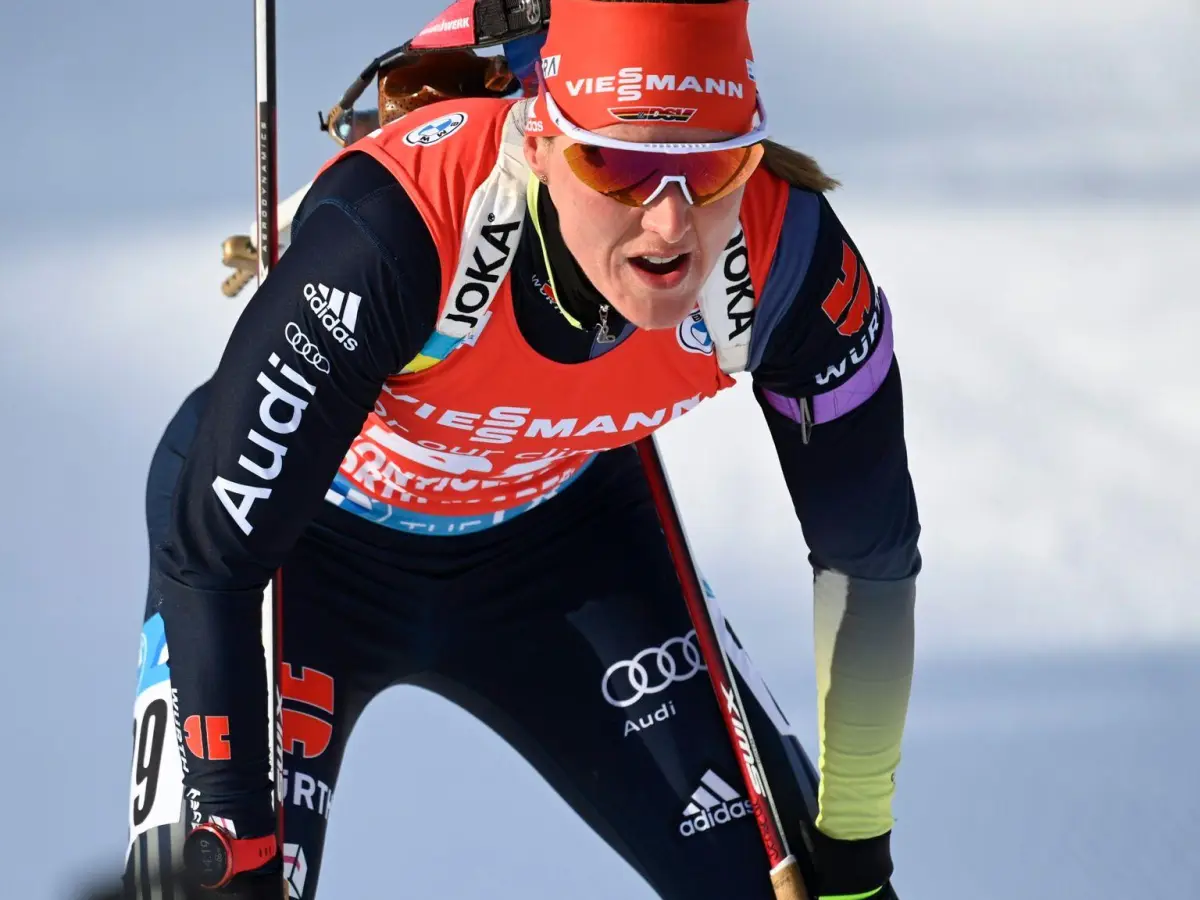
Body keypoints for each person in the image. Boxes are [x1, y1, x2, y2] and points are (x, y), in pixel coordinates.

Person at [122, 1, 919, 897]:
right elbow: (213, 559)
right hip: (307, 553)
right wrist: (235, 831)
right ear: (540, 139)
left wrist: (856, 851)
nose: (669, 223)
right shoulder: (399, 231)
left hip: (561, 548)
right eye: (616, 164)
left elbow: (870, 560)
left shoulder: (789, 260)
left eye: (711, 164)